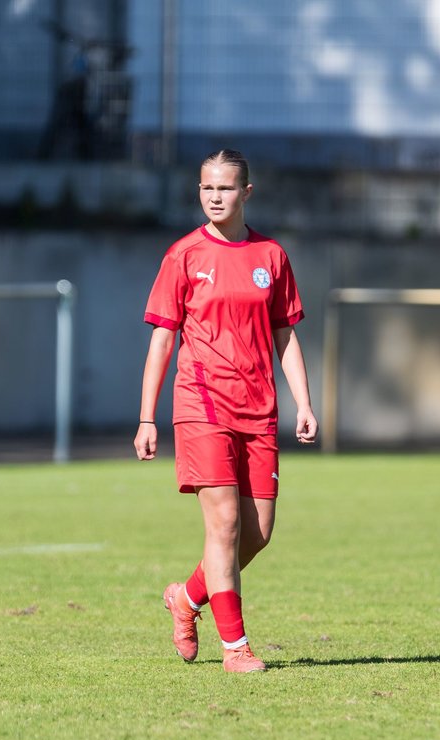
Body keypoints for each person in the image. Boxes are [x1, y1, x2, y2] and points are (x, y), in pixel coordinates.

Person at [134, 149, 318, 673]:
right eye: (207, 188)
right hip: (202, 404)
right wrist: (147, 417)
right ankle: (235, 648)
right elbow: (162, 343)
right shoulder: (183, 256)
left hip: (258, 408)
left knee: (258, 532)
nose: (215, 197)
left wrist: (303, 402)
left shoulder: (272, 257)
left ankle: (187, 598)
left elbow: (286, 337)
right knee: (226, 525)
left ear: (246, 193)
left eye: (226, 188)